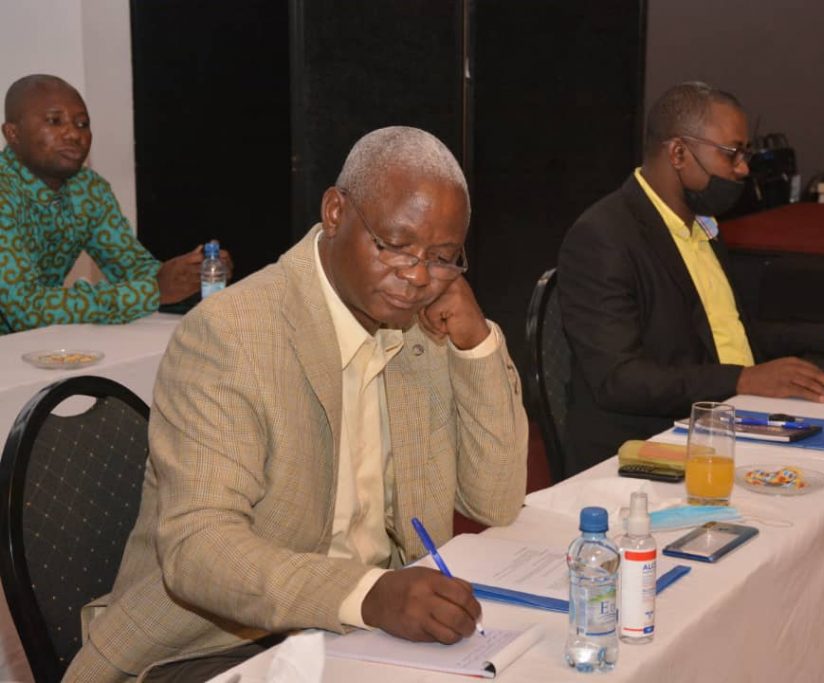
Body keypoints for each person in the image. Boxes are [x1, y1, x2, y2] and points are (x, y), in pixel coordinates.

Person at [64, 126, 528, 681]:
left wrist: (475, 344)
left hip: (369, 636)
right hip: (213, 646)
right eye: (396, 246)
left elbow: (495, 500)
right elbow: (199, 548)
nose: (417, 276)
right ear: (335, 212)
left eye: (443, 257)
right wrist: (366, 593)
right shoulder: (232, 334)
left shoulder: (423, 327)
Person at [558, 82, 824, 476]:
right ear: (678, 153)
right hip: (644, 455)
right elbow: (620, 379)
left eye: (745, 155)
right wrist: (743, 379)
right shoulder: (603, 237)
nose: (743, 169)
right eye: (732, 154)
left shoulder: (703, 225)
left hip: (726, 426)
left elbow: (731, 334)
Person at [0, 74, 231, 334]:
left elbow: (132, 268)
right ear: (13, 134)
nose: (74, 134)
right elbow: (26, 309)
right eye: (55, 121)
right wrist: (153, 290)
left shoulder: (88, 189)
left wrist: (189, 275)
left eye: (82, 124)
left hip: (34, 345)